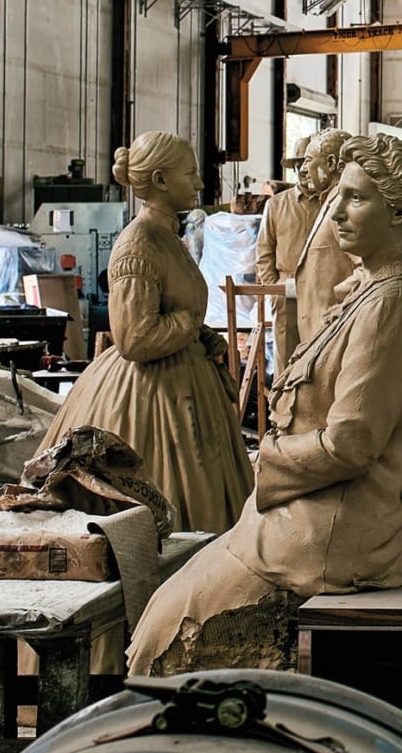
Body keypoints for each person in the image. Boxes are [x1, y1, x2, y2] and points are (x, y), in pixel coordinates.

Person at [127, 133, 402, 674]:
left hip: (335, 529)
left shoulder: (393, 300)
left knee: (170, 630)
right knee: (164, 608)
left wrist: (268, 461)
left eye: (357, 199)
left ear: (400, 213)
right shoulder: (370, 286)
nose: (335, 212)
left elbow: (352, 442)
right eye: (337, 194)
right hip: (308, 507)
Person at [35, 131, 250, 534]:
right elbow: (134, 338)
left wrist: (199, 333)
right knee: (167, 502)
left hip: (183, 382)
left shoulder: (165, 236)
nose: (200, 184)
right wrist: (187, 324)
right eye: (191, 174)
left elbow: (172, 305)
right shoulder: (139, 244)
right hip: (150, 393)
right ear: (162, 181)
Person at [253, 128, 354, 370]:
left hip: (325, 294)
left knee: (320, 362)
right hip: (286, 294)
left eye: (306, 162)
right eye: (298, 164)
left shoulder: (334, 203)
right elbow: (264, 254)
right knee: (286, 363)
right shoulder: (277, 205)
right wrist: (277, 289)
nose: (302, 170)